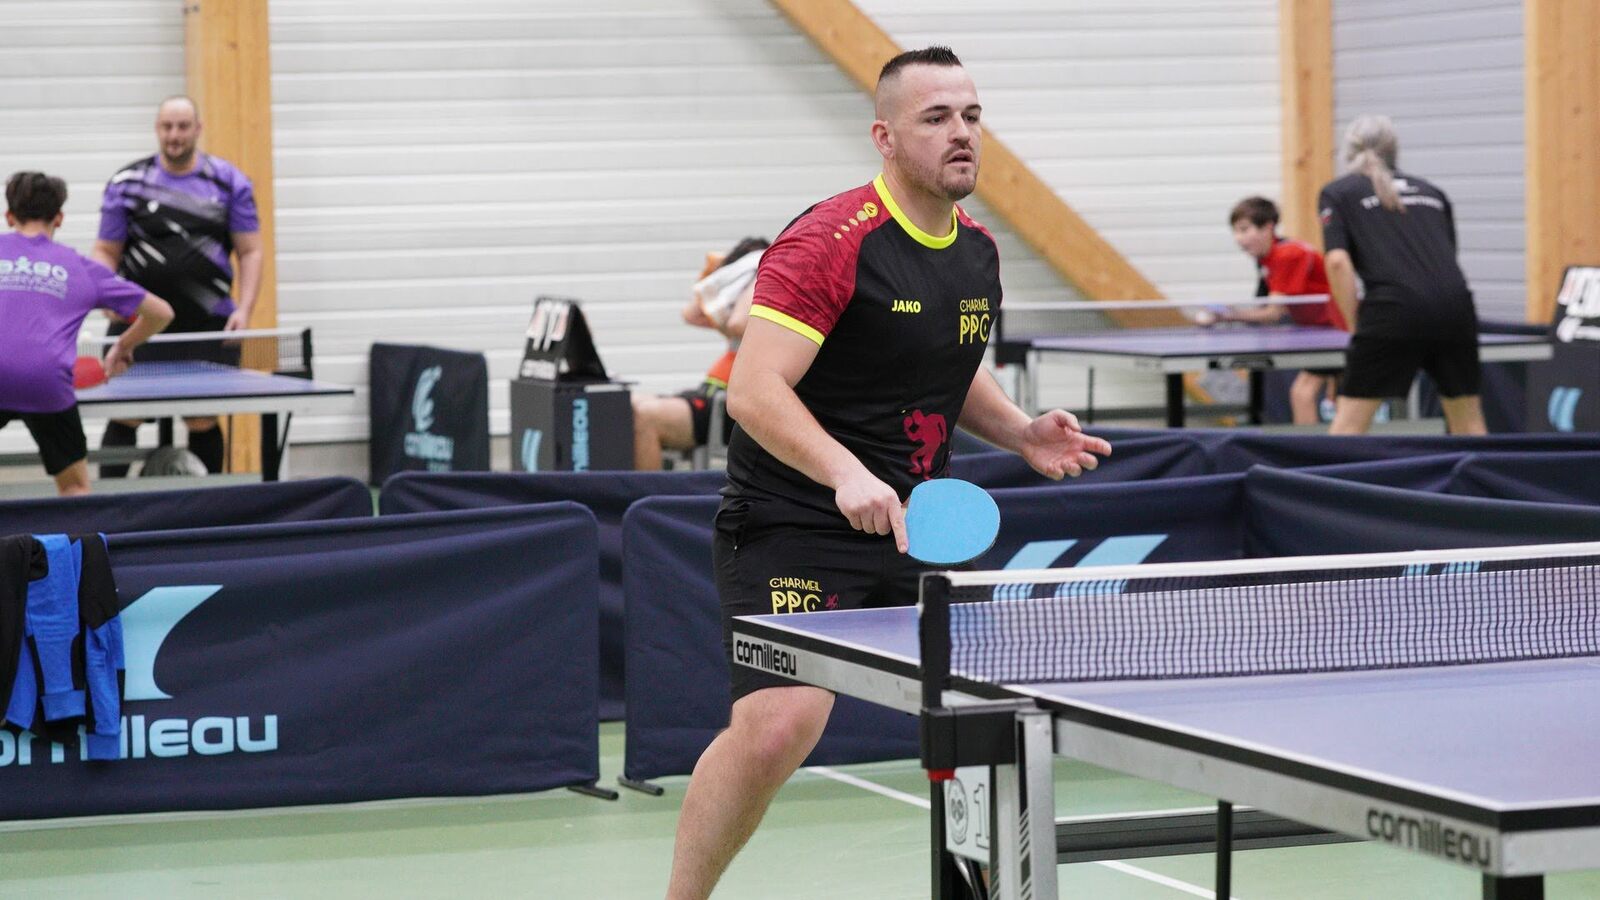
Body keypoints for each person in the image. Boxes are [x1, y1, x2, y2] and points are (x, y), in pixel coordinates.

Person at [665, 47, 1111, 899]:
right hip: (794, 523)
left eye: (971, 116)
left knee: (986, 715)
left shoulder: (977, 252)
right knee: (780, 725)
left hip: (915, 525)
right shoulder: (829, 243)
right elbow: (754, 390)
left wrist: (1020, 431)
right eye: (935, 118)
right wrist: (843, 472)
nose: (960, 133)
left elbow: (947, 365)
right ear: (885, 137)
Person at [92, 95, 264, 474]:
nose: (175, 135)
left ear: (198, 129)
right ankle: (107, 502)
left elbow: (250, 250)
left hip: (207, 324)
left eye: (183, 126)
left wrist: (246, 308)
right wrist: (106, 294)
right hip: (138, 324)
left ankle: (209, 504)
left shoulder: (229, 182)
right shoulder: (127, 183)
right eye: (167, 126)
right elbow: (105, 250)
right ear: (157, 129)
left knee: (202, 417)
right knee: (125, 414)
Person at [0, 172, 174, 496]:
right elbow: (162, 312)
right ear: (59, 218)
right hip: (45, 380)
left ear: (9, 216)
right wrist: (123, 345)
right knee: (75, 488)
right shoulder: (79, 267)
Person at [1319, 115, 1486, 435]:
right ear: (1394, 150)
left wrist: (1356, 324)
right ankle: (1481, 471)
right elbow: (1446, 257)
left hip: (1392, 310)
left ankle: (1333, 472)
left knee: (1349, 426)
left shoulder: (1338, 193)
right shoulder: (1433, 192)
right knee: (1469, 422)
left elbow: (1337, 262)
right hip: (1455, 308)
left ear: (1348, 151)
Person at [632, 237, 769, 470]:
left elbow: (737, 324)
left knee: (645, 416)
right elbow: (691, 314)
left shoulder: (761, 307)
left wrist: (761, 271)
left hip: (727, 406)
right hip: (710, 393)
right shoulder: (734, 309)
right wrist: (716, 275)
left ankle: (649, 492)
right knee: (627, 404)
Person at [1215, 196, 1345, 424]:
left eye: (1244, 230)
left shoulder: (1288, 255)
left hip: (1337, 331)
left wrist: (1226, 316)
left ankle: (1312, 446)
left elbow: (1273, 313)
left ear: (1268, 227)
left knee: (1304, 393)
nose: (1239, 239)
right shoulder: (1266, 259)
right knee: (1321, 395)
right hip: (1319, 332)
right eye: (1235, 231)